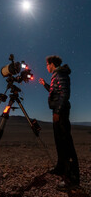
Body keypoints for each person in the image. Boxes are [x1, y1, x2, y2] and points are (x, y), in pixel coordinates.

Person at [39, 55, 80, 192]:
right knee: (59, 142)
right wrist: (45, 84)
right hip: (58, 112)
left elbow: (64, 94)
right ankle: (61, 168)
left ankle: (72, 178)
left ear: (51, 64)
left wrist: (57, 111)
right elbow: (55, 92)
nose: (46, 67)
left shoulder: (60, 73)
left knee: (66, 143)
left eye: (46, 65)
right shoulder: (56, 75)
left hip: (60, 113)